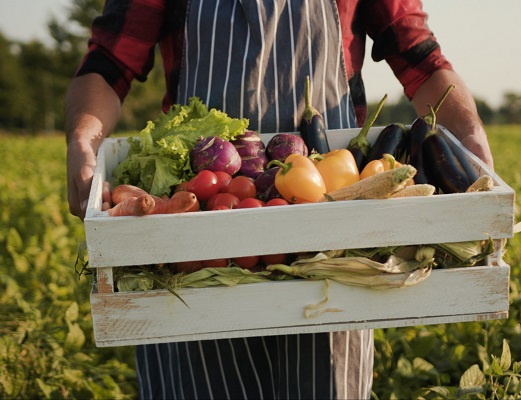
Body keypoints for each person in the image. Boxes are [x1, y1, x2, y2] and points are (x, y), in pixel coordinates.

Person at [66, 0, 493, 398]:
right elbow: (109, 63)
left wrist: (470, 134)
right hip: (197, 237)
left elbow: (421, 58)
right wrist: (84, 140)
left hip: (333, 245)